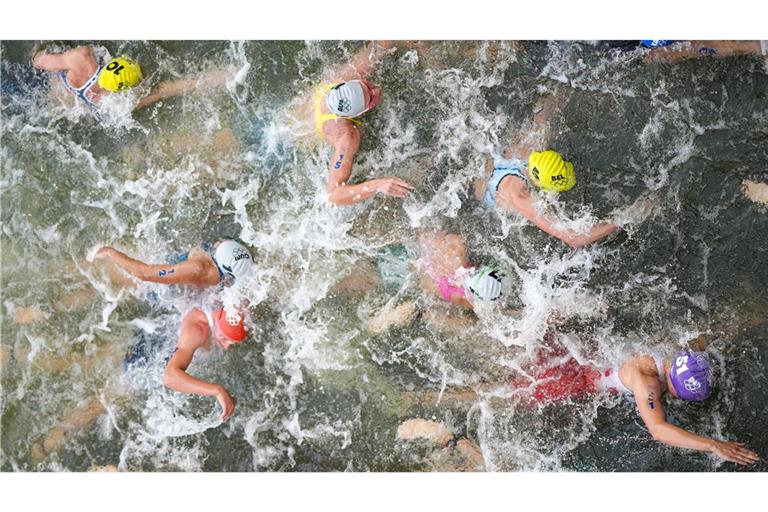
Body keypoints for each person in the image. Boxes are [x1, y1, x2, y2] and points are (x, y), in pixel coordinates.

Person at [502, 344, 760, 465]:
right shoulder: (647, 385)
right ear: (677, 390)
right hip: (573, 382)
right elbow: (658, 430)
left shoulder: (672, 350)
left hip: (579, 356)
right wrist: (713, 445)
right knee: (508, 397)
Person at [475, 89, 631, 249]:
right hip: (484, 198)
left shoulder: (531, 142)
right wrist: (626, 218)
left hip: (488, 164)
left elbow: (555, 94)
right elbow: (574, 238)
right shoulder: (520, 197)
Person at [307, 41, 414, 206]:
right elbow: (334, 194)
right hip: (300, 140)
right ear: (357, 114)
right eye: (370, 99)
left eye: (366, 86)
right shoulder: (347, 136)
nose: (376, 90)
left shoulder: (344, 78)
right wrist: (377, 185)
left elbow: (380, 44)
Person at [31, 45, 231, 117]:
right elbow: (167, 89)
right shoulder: (120, 105)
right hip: (88, 109)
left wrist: (38, 50)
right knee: (161, 90)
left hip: (62, 94)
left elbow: (39, 61)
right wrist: (223, 77)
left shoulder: (82, 57)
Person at [163, 306, 249, 421]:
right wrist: (218, 391)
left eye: (231, 341)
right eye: (224, 338)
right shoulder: (197, 331)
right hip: (160, 344)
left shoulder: (231, 305)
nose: (227, 346)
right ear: (218, 322)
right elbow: (169, 377)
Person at [93, 239, 252, 289]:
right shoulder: (199, 270)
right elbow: (144, 273)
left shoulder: (226, 254)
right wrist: (110, 253)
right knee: (132, 285)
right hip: (165, 286)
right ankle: (101, 260)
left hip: (185, 262)